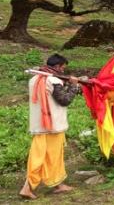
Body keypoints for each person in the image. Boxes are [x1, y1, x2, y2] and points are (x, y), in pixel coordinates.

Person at [19, 54, 82, 200]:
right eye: (63, 68)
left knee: (53, 156)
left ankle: (58, 185)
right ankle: (27, 187)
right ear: (58, 67)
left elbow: (51, 94)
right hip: (52, 125)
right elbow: (64, 100)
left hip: (40, 124)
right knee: (40, 157)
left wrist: (68, 83)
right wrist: (73, 85)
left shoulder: (34, 79)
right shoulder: (53, 80)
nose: (63, 70)